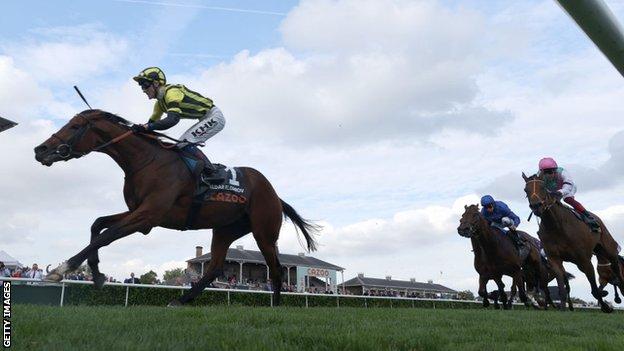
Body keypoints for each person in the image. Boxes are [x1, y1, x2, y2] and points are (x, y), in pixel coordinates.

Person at [131, 67, 225, 183]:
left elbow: (172, 120)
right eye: (141, 86)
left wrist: (147, 127)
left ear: (156, 83)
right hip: (204, 118)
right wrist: (138, 129)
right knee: (181, 145)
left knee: (186, 143)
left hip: (214, 117)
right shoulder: (160, 104)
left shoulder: (172, 92)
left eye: (145, 85)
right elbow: (150, 124)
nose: (143, 90)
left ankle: (212, 173)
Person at [537, 157, 600, 232]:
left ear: (555, 170)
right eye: (545, 172)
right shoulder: (539, 176)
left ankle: (588, 217)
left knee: (567, 199)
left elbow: (568, 185)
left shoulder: (562, 172)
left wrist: (560, 192)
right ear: (541, 172)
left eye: (550, 172)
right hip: (552, 190)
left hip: (568, 188)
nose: (548, 175)